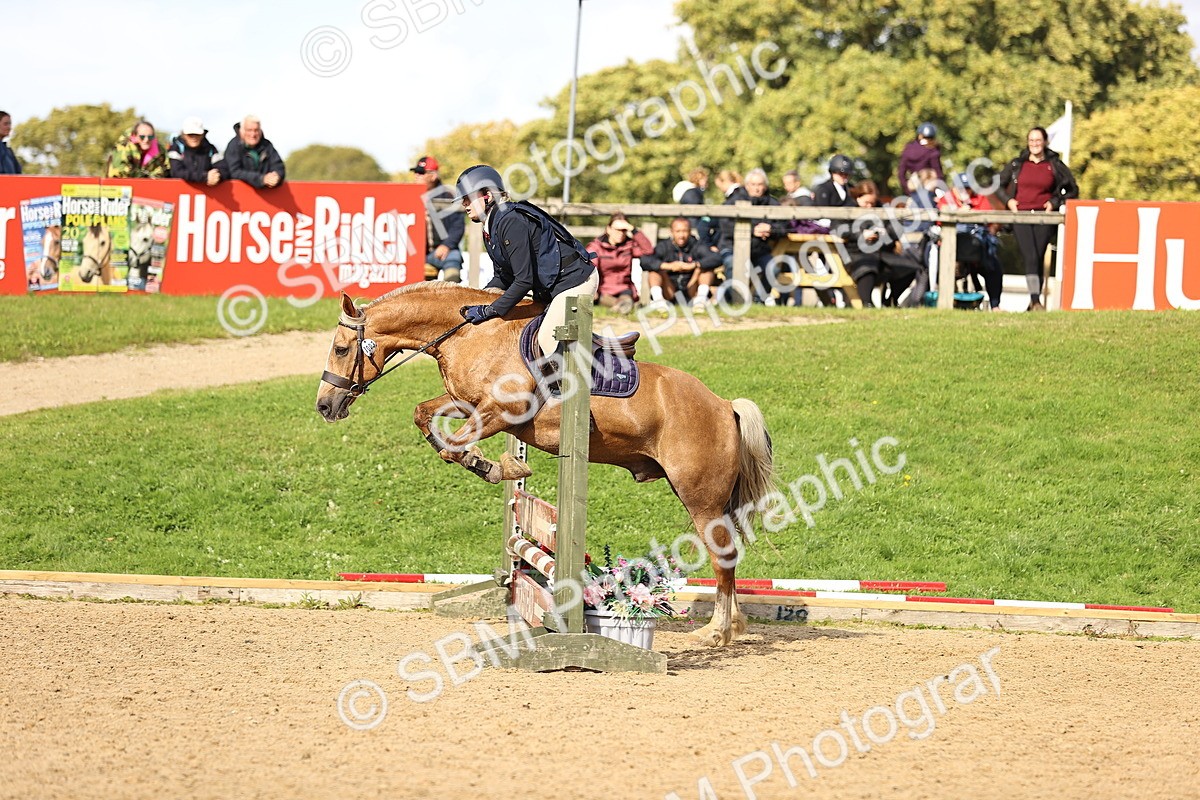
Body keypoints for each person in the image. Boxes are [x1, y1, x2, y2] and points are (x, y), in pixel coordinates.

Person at [453, 165, 598, 396]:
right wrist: (478, 300)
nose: (464, 204)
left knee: (546, 339)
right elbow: (502, 277)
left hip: (575, 282)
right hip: (550, 288)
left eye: (468, 198)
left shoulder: (510, 220)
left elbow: (523, 281)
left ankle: (576, 405)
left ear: (487, 195)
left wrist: (490, 310)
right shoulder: (490, 226)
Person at [996, 126, 1079, 311]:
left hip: (1044, 217)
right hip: (1021, 216)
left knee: (1039, 257)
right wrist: (1009, 201)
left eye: (1038, 140)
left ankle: (1034, 302)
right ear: (1028, 142)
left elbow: (1072, 189)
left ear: (1045, 142)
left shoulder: (1054, 164)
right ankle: (1035, 300)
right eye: (1031, 140)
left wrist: (1054, 202)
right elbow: (999, 185)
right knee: (1030, 256)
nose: (1034, 144)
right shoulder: (1017, 164)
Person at [835, 180, 918, 307]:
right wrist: (861, 234)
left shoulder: (883, 209)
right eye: (866, 202)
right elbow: (838, 228)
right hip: (855, 252)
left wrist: (882, 233)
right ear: (858, 197)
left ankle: (890, 301)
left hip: (882, 251)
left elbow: (895, 230)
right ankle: (867, 303)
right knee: (867, 265)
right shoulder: (847, 208)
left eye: (872, 203)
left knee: (910, 267)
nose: (869, 206)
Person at [717, 168, 786, 304]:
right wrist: (752, 230)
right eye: (753, 185)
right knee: (733, 264)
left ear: (765, 186)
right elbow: (725, 225)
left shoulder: (773, 203)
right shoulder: (734, 200)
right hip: (732, 248)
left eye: (760, 185)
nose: (757, 188)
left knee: (773, 268)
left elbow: (785, 227)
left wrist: (771, 230)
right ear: (747, 185)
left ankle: (758, 300)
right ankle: (735, 301)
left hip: (758, 250)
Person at [938, 174, 1004, 311]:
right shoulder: (946, 199)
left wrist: (973, 213)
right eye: (961, 188)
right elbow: (938, 220)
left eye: (968, 188)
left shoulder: (980, 198)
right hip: (951, 250)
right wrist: (958, 213)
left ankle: (995, 305)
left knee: (994, 268)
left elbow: (991, 219)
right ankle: (941, 303)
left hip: (977, 250)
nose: (965, 192)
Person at [640, 217, 722, 309]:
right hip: (669, 290)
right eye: (678, 231)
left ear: (690, 231)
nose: (681, 235)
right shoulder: (663, 246)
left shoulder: (697, 245)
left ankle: (700, 301)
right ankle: (659, 302)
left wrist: (693, 265)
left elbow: (717, 258)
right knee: (655, 270)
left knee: (705, 268)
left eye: (684, 231)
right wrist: (669, 266)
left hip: (691, 288)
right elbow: (645, 261)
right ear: (671, 231)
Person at [586, 213, 653, 314]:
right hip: (603, 290)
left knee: (626, 300)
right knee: (624, 303)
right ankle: (624, 306)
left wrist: (632, 229)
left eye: (624, 230)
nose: (621, 233)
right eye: (617, 229)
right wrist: (591, 288)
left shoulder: (629, 245)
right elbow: (589, 267)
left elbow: (648, 250)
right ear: (608, 229)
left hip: (624, 288)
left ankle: (621, 307)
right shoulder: (596, 247)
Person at [412, 155, 465, 283]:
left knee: (453, 255)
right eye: (416, 172)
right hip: (414, 254)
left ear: (433, 175)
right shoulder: (410, 196)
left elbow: (458, 225)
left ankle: (452, 293)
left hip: (439, 251)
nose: (417, 175)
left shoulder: (447, 196)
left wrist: (446, 245)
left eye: (421, 172)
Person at [224, 115, 286, 189]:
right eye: (249, 130)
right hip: (240, 193)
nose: (253, 134)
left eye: (256, 130)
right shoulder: (234, 145)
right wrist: (261, 179)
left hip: (267, 195)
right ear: (242, 131)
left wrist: (276, 176)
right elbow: (234, 172)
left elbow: (279, 166)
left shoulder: (267, 145)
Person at [167, 117, 226, 186]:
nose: (194, 137)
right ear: (184, 135)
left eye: (197, 134)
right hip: (179, 194)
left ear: (203, 134)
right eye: (190, 134)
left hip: (207, 195)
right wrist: (204, 177)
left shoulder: (211, 149)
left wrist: (216, 176)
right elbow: (176, 172)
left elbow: (223, 170)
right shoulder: (175, 148)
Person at [677, 167, 717, 251]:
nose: (706, 183)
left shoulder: (692, 193)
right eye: (704, 180)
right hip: (694, 224)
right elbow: (694, 212)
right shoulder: (693, 193)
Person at [897, 122, 944, 193]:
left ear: (920, 135)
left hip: (913, 189)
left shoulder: (908, 149)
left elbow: (901, 174)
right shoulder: (933, 151)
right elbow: (938, 174)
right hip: (929, 190)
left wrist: (908, 190)